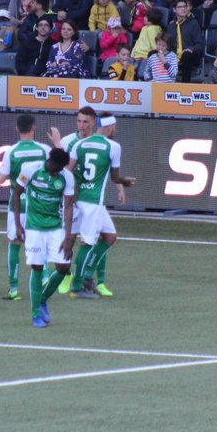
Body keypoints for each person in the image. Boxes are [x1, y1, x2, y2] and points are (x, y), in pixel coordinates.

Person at [66, 113, 136, 299]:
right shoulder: (113, 146)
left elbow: (68, 171)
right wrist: (124, 182)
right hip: (93, 201)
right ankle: (77, 285)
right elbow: (114, 177)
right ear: (111, 127)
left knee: (110, 236)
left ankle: (87, 276)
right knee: (88, 242)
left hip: (82, 198)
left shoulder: (80, 144)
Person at [0, 114, 51, 301]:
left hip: (18, 206)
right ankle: (45, 275)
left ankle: (14, 289)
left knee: (14, 244)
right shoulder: (44, 149)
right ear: (34, 128)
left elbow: (0, 179)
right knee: (38, 242)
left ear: (17, 129)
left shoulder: (11, 152)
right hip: (39, 204)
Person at [12, 148, 76, 328]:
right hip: (34, 228)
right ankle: (35, 315)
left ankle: (42, 299)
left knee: (64, 266)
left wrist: (69, 237)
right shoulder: (30, 169)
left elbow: (69, 206)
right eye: (55, 167)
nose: (57, 171)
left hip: (55, 227)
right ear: (49, 160)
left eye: (60, 169)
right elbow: (16, 193)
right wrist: (18, 224)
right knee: (37, 267)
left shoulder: (67, 177)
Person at [167, 0, 203, 82]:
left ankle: (185, 84)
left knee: (186, 55)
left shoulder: (194, 23)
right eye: (180, 7)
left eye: (185, 6)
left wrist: (191, 49)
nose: (183, 9)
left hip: (190, 55)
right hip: (174, 55)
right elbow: (167, 43)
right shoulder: (171, 25)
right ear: (174, 10)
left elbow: (199, 44)